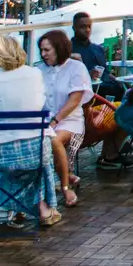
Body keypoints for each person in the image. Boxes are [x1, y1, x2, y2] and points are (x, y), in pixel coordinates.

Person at [0, 36, 61, 223]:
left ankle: (13, 207)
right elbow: (41, 107)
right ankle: (44, 207)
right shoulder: (34, 74)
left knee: (1, 166)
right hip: (35, 153)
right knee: (41, 160)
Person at [38, 29, 93, 207]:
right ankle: (61, 174)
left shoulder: (76, 68)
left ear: (58, 48)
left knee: (53, 139)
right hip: (43, 120)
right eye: (41, 50)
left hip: (70, 121)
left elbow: (75, 99)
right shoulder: (39, 70)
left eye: (47, 50)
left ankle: (64, 186)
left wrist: (54, 121)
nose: (43, 54)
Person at [69, 12, 108, 88]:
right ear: (74, 28)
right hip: (83, 89)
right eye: (83, 27)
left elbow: (106, 73)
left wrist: (118, 81)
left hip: (103, 87)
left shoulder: (98, 49)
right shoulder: (67, 50)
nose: (87, 30)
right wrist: (88, 74)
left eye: (89, 26)